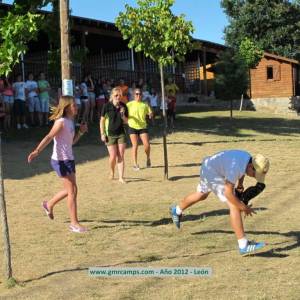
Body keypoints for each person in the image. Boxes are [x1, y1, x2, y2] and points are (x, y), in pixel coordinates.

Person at [170, 150, 270, 255]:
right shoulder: (236, 166)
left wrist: (240, 185)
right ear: (250, 166)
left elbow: (242, 172)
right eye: (255, 174)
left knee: (202, 195)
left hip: (209, 165)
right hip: (212, 172)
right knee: (234, 205)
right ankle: (243, 245)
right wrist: (244, 207)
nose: (255, 177)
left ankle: (176, 210)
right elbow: (228, 194)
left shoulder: (247, 158)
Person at [27, 96, 88, 233]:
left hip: (69, 159)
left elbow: (70, 142)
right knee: (72, 191)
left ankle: (48, 204)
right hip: (60, 161)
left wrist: (81, 132)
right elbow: (49, 137)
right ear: (67, 108)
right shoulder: (60, 122)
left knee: (71, 190)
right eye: (74, 105)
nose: (76, 107)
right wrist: (37, 151)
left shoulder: (70, 121)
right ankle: (74, 223)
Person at [100, 87, 128, 183]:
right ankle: (112, 171)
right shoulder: (107, 106)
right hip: (110, 135)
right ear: (112, 96)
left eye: (120, 95)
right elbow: (102, 121)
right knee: (112, 156)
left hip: (121, 134)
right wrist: (102, 133)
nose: (118, 97)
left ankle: (121, 177)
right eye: (116, 95)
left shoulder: (123, 106)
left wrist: (123, 114)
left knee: (120, 155)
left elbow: (126, 122)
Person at [126, 88, 153, 170]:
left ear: (142, 95)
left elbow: (150, 113)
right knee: (135, 145)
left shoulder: (145, 104)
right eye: (137, 94)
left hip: (142, 127)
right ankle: (135, 164)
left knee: (147, 145)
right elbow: (124, 113)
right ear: (134, 95)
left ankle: (148, 158)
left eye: (140, 94)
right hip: (132, 127)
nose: (138, 95)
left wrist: (151, 114)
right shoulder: (129, 104)